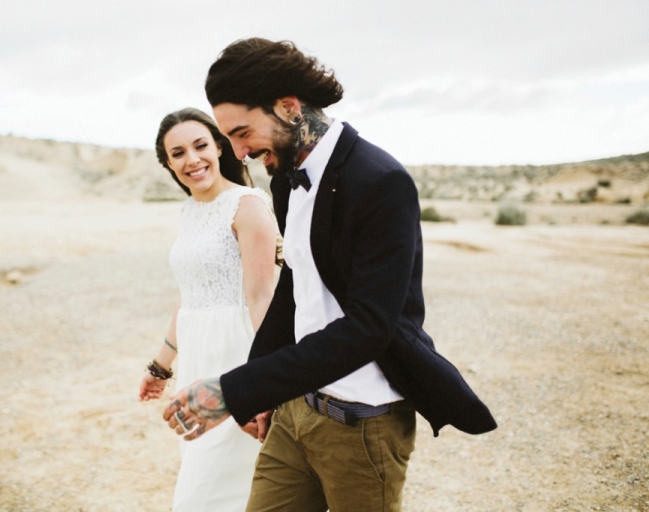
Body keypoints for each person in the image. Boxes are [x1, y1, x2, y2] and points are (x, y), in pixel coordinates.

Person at [163, 39, 497, 511]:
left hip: (363, 424)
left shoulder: (380, 181)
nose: (237, 152)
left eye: (242, 132)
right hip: (294, 413)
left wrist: (236, 388)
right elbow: (293, 290)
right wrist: (261, 389)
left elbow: (369, 327)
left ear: (288, 107)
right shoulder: (284, 177)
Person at [139, 107, 278, 512]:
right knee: (215, 486)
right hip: (197, 361)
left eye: (200, 146)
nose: (192, 160)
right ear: (168, 163)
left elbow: (262, 298)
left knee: (202, 496)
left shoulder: (248, 204)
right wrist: (160, 366)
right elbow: (190, 296)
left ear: (219, 147)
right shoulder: (191, 210)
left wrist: (266, 383)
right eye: (178, 153)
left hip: (236, 360)